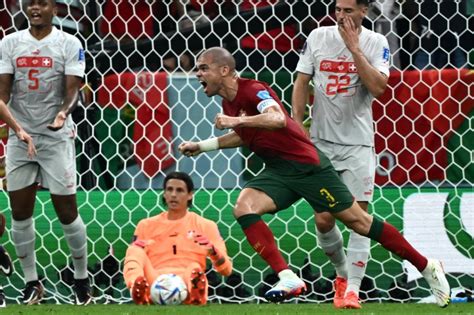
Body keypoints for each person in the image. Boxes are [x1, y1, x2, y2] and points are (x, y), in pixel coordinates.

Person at [178, 47, 450, 307]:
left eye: (203, 68)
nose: (198, 74)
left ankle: (427, 266)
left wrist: (237, 120)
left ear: (224, 69)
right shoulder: (230, 100)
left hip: (307, 167)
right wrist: (202, 146)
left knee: (359, 222)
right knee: (244, 208)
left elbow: (278, 120)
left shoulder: (254, 89)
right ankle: (287, 277)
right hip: (278, 170)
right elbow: (245, 134)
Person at [292, 0, 389, 308]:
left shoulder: (377, 42)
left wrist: (354, 49)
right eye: (338, 9)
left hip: (358, 144)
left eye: (348, 10)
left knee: (358, 217)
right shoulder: (318, 37)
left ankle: (353, 290)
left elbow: (378, 87)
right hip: (321, 142)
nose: (341, 16)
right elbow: (301, 82)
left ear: (364, 11)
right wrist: (297, 125)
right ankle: (342, 274)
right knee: (323, 219)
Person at [0, 0, 91, 305]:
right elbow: (2, 94)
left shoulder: (69, 43)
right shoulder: (10, 43)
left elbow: (73, 89)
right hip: (19, 136)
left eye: (42, 3)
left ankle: (81, 279)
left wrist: (64, 113)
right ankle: (32, 283)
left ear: (55, 8)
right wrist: (15, 128)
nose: (34, 8)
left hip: (55, 136)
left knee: (67, 212)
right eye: (30, 3)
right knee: (20, 213)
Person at [123, 171, 232, 305]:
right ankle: (137, 288)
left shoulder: (206, 226)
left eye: (179, 190)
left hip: (186, 282)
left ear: (190, 195)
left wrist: (214, 252)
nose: (173, 195)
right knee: (134, 250)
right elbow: (136, 257)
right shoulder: (145, 225)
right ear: (164, 193)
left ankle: (196, 293)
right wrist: (136, 249)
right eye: (169, 189)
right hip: (155, 281)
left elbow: (227, 270)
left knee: (194, 268)